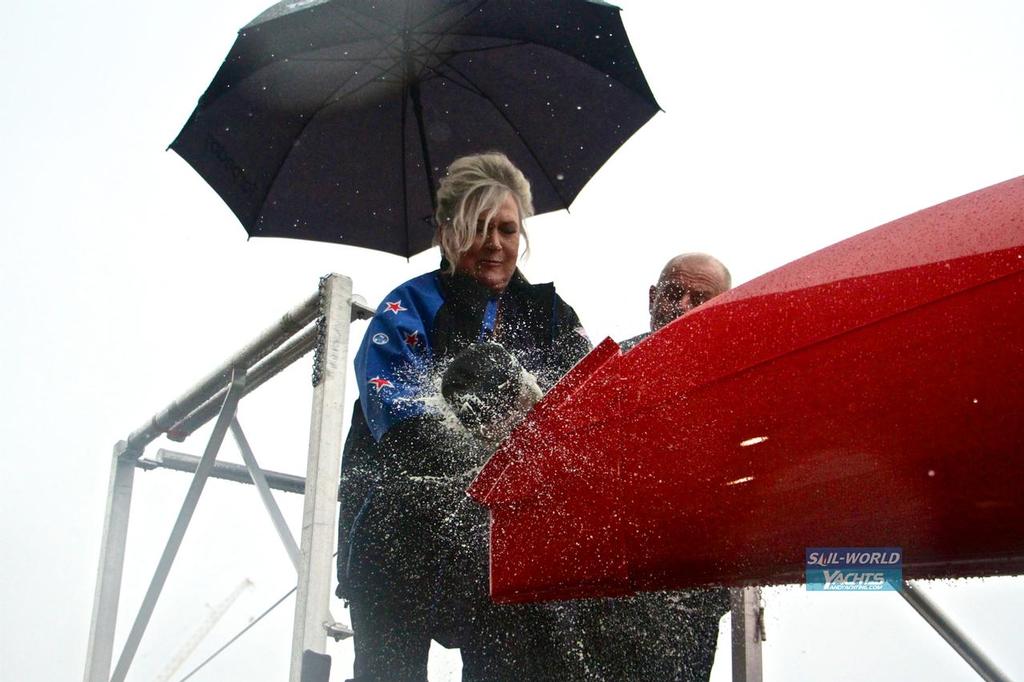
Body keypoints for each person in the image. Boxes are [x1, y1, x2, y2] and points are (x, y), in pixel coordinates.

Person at [336, 152, 591, 682]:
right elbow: (401, 422)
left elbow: (584, 408)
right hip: (400, 530)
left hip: (503, 537)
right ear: (449, 232)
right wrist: (486, 450)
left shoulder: (550, 314)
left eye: (507, 229)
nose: (496, 244)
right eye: (480, 229)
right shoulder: (407, 308)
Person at [579, 253, 733, 682]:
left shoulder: (739, 377)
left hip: (691, 589)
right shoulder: (608, 369)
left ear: (723, 306)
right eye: (672, 294)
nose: (682, 306)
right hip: (605, 588)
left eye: (699, 298)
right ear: (652, 298)